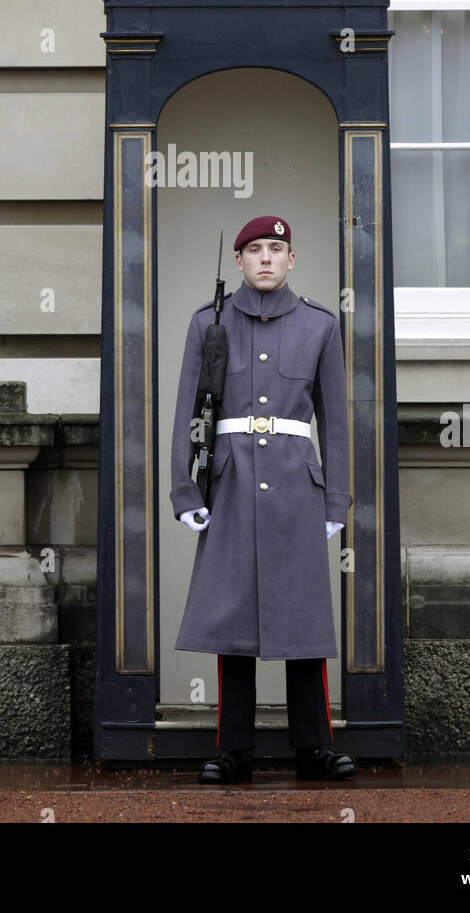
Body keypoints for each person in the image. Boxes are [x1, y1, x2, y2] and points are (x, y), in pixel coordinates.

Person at [170, 215, 356, 783]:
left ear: (292, 259)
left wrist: (336, 501)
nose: (266, 258)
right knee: (233, 622)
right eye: (255, 250)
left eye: (277, 248)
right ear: (240, 261)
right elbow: (189, 410)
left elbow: (336, 421)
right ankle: (234, 750)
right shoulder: (210, 322)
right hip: (231, 480)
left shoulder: (320, 326)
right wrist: (185, 487)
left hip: (297, 486)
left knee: (303, 622)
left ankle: (314, 747)